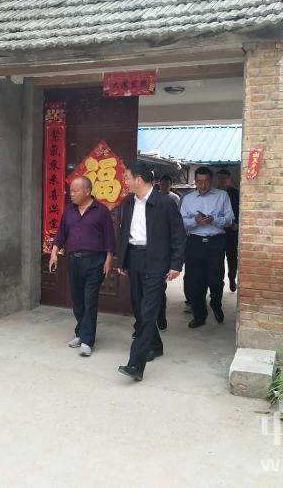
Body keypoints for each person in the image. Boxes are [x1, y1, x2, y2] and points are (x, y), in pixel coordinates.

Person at [116, 162, 186, 382]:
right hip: (134, 258)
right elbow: (123, 232)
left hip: (156, 260)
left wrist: (176, 265)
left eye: (127, 178)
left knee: (147, 311)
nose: (125, 182)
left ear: (138, 179)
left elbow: (178, 235)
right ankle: (155, 345)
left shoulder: (164, 203)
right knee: (138, 306)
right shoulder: (128, 202)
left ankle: (136, 364)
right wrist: (122, 259)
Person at [49, 176, 115, 357]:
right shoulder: (69, 211)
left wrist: (109, 259)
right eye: (71, 190)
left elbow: (109, 237)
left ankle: (87, 340)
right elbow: (61, 234)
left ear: (87, 191)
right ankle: (81, 332)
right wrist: (54, 253)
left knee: (89, 299)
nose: (71, 194)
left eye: (75, 190)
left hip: (95, 261)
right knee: (77, 300)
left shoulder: (101, 211)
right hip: (74, 261)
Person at [180, 167, 234, 328]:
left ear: (212, 180)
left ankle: (216, 304)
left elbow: (230, 219)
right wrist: (195, 221)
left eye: (206, 182)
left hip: (215, 243)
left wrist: (214, 220)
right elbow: (181, 222)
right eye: (199, 182)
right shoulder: (188, 199)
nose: (203, 185)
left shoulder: (222, 196)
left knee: (216, 279)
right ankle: (199, 315)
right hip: (194, 242)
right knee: (195, 281)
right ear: (195, 181)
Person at [156, 174, 181, 330]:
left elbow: (177, 223)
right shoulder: (153, 198)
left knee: (160, 287)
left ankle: (161, 317)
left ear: (171, 184)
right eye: (162, 183)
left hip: (165, 246)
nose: (164, 186)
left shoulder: (174, 199)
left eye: (167, 184)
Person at [216, 169, 240, 292]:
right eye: (220, 178)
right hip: (217, 230)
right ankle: (218, 284)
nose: (222, 180)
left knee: (232, 256)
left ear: (229, 179)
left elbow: (241, 210)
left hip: (232, 230)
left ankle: (232, 278)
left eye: (224, 178)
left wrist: (237, 223)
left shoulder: (236, 193)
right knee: (218, 259)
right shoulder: (213, 193)